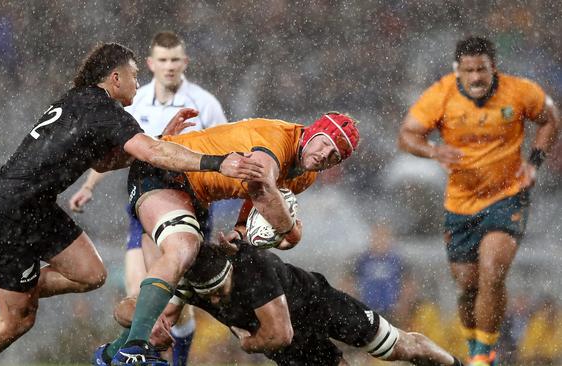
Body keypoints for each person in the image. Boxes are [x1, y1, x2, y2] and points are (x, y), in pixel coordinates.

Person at [0, 42, 264, 366]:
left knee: (92, 274)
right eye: (134, 76)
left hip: (36, 208)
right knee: (18, 320)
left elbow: (105, 162)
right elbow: (151, 154)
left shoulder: (80, 102)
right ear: (115, 78)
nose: (138, 84)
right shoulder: (102, 110)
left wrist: (158, 138)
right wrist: (217, 163)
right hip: (6, 213)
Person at [105, 112, 360, 365]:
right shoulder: (277, 139)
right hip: (165, 172)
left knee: (168, 309)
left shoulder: (306, 174)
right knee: (183, 250)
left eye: (334, 156)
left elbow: (256, 210)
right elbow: (259, 186)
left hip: (196, 196)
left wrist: (238, 236)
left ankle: (111, 353)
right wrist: (292, 231)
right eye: (325, 143)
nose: (324, 155)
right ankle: (134, 348)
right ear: (313, 131)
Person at [68, 31, 227, 366]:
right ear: (152, 64)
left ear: (184, 62)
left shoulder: (205, 103)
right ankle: (128, 354)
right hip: (143, 208)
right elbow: (122, 150)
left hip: (186, 209)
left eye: (175, 60)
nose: (169, 67)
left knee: (170, 304)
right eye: (162, 61)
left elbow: (225, 153)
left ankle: (135, 355)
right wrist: (89, 186)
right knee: (140, 300)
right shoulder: (134, 101)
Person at [398, 36, 559, 366]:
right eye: (469, 70)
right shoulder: (441, 94)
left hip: (507, 197)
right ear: (458, 70)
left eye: (482, 70)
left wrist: (534, 162)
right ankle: (476, 347)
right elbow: (407, 135)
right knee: (467, 285)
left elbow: (550, 118)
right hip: (460, 204)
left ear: (493, 67)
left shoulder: (519, 91)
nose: (475, 78)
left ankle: (484, 356)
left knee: (492, 270)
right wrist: (433, 150)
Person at [112, 243, 465, 366]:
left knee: (398, 349)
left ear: (230, 270)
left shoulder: (255, 269)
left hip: (319, 306)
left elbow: (278, 334)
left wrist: (248, 342)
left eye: (221, 291)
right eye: (211, 296)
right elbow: (127, 308)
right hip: (293, 343)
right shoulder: (190, 281)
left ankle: (450, 362)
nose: (217, 300)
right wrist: (149, 326)